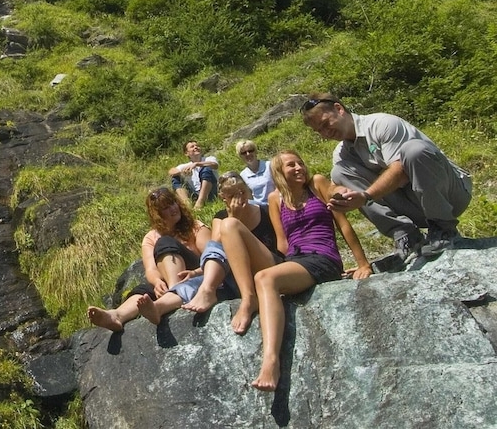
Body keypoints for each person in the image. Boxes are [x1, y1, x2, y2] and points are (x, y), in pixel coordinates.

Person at [246, 150, 372, 391]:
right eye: (290, 165)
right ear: (278, 173)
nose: (298, 168)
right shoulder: (276, 199)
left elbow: (344, 225)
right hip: (296, 259)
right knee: (264, 277)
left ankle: (271, 361)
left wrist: (363, 263)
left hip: (322, 257)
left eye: (300, 163)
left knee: (264, 278)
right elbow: (282, 243)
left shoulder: (317, 184)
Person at [300, 93, 473, 262]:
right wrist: (340, 193)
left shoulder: (382, 124)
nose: (325, 133)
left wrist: (365, 196)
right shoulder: (342, 153)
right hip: (415, 206)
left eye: (325, 123)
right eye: (319, 131)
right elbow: (334, 184)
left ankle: (444, 229)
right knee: (340, 171)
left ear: (339, 109)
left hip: (451, 196)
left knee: (414, 150)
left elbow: (399, 170)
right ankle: (407, 236)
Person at [135, 172, 278, 324]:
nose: (239, 198)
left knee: (229, 228)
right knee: (194, 282)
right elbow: (216, 251)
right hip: (229, 275)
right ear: (224, 198)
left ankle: (206, 289)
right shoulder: (220, 217)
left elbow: (215, 250)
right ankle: (159, 307)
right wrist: (158, 281)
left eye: (242, 192)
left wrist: (234, 220)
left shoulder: (265, 210)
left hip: (264, 266)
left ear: (249, 190)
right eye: (232, 195)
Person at [86, 187, 212, 332]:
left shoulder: (195, 227)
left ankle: (171, 296)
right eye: (166, 208)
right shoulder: (151, 237)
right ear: (157, 214)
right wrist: (157, 282)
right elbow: (151, 269)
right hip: (170, 279)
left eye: (173, 203)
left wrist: (194, 273)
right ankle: (117, 316)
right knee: (143, 292)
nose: (173, 209)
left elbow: (213, 258)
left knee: (165, 242)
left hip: (196, 274)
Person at [168, 139, 219, 209]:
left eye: (197, 146)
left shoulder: (208, 159)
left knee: (206, 169)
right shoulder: (186, 165)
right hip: (195, 194)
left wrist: (197, 164)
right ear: (186, 153)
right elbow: (171, 172)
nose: (196, 147)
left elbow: (215, 165)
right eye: (192, 146)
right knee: (176, 178)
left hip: (211, 192)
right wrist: (182, 172)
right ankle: (187, 205)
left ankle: (200, 202)